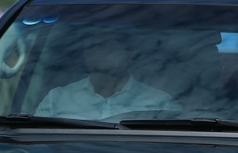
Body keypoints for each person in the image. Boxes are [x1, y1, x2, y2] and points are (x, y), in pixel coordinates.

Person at [36, 31, 178, 120]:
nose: (100, 51)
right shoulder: (56, 99)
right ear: (85, 53)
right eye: (92, 46)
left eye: (109, 45)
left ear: (129, 53)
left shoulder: (160, 103)